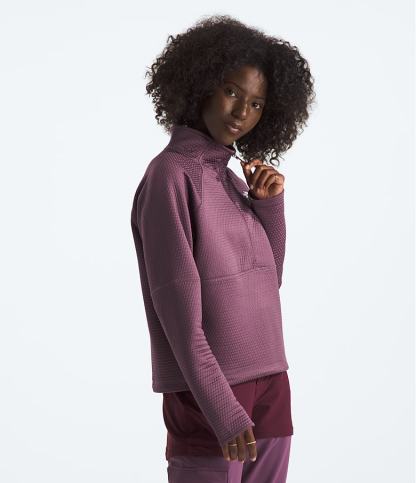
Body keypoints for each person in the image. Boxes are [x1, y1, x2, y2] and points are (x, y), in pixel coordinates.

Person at [130, 14, 315, 483]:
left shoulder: (232, 181)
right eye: (232, 92)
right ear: (201, 85)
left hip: (271, 381)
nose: (241, 112)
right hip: (209, 393)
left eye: (256, 103)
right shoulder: (170, 176)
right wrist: (221, 407)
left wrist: (269, 207)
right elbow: (177, 315)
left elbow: (267, 283)